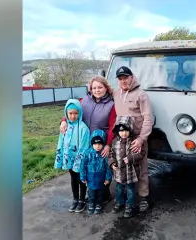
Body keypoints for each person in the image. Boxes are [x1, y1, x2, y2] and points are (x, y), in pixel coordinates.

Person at [60, 76, 116, 204]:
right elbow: (72, 111)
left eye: (100, 87)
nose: (97, 90)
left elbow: (112, 126)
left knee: (102, 169)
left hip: (100, 143)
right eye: (94, 87)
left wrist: (108, 145)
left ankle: (104, 195)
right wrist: (63, 121)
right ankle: (89, 195)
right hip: (84, 142)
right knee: (87, 168)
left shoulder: (111, 105)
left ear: (106, 88)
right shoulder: (84, 100)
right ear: (90, 89)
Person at [113, 66, 154, 212]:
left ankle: (143, 197)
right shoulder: (116, 93)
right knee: (122, 167)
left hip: (136, 139)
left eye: (126, 77)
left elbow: (148, 118)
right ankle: (124, 198)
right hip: (121, 139)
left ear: (132, 77)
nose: (123, 81)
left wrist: (142, 139)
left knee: (141, 169)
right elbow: (96, 95)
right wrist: (64, 119)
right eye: (120, 78)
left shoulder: (141, 95)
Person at [54, 99, 90, 213]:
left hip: (79, 159)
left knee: (81, 179)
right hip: (69, 158)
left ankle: (82, 200)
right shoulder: (64, 127)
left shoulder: (83, 128)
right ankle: (75, 198)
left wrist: (79, 161)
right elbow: (61, 142)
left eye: (76, 113)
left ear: (79, 113)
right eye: (70, 113)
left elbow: (84, 146)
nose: (73, 116)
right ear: (66, 113)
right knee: (73, 178)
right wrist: (61, 157)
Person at [109, 116, 146, 218]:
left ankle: (130, 205)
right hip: (119, 172)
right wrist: (112, 163)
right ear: (117, 131)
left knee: (130, 189)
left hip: (131, 171)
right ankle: (120, 202)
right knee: (119, 188)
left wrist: (130, 158)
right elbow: (111, 154)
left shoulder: (133, 142)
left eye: (126, 130)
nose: (123, 133)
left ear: (130, 130)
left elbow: (141, 153)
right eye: (121, 131)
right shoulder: (115, 141)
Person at [80, 129, 112, 215]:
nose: (97, 146)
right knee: (91, 193)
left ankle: (98, 204)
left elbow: (108, 167)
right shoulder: (87, 153)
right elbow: (82, 166)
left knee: (100, 193)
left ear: (103, 144)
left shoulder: (105, 154)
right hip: (90, 179)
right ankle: (91, 204)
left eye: (100, 144)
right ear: (92, 143)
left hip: (101, 179)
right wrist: (83, 177)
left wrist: (108, 178)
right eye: (95, 144)